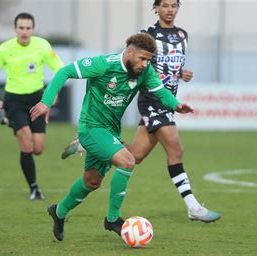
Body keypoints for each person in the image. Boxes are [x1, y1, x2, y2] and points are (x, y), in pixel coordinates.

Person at [60, 0, 221, 223]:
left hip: (168, 99)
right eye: (165, 5)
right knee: (175, 149)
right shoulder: (147, 35)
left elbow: (169, 66)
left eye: (174, 5)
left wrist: (180, 73)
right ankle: (193, 206)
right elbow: (137, 65)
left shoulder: (183, 35)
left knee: (134, 156)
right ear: (156, 8)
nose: (170, 9)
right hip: (153, 99)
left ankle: (85, 144)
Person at [30, 33, 194, 241]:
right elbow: (65, 71)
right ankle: (113, 219)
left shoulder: (145, 72)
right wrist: (46, 100)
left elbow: (160, 91)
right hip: (91, 128)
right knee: (127, 161)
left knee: (92, 182)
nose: (145, 64)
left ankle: (58, 211)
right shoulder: (103, 64)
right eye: (142, 59)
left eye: (148, 60)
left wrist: (176, 105)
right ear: (130, 52)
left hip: (112, 132)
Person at [0, 12, 64, 200]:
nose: (24, 31)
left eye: (28, 28)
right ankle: (34, 189)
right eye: (21, 27)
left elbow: (61, 70)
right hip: (14, 100)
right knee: (27, 144)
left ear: (33, 29)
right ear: (15, 29)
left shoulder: (42, 46)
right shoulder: (5, 49)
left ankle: (10, 122)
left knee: (38, 149)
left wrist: (53, 94)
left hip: (37, 100)